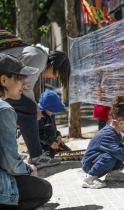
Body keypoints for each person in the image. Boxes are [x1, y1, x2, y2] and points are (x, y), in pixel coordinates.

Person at [0, 30, 70, 168]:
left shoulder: (38, 54)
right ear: (55, 65)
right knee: (29, 109)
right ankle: (36, 156)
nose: (54, 77)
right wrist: (35, 107)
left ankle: (25, 154)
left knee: (24, 111)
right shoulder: (39, 58)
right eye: (57, 74)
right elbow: (25, 88)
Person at [0, 53, 52, 209]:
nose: (24, 84)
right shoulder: (4, 110)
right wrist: (29, 169)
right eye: (19, 78)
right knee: (44, 189)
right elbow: (11, 164)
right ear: (3, 80)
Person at [82, 94, 124, 189]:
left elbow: (118, 151)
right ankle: (90, 178)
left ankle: (113, 173)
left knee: (121, 148)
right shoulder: (108, 134)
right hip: (90, 164)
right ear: (121, 122)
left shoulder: (115, 132)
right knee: (112, 155)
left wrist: (120, 165)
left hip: (98, 160)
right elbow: (116, 152)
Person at [38, 90, 71, 158]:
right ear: (45, 108)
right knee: (52, 156)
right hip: (43, 145)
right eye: (52, 110)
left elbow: (53, 128)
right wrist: (50, 143)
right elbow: (39, 134)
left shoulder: (51, 114)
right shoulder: (40, 117)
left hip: (53, 141)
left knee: (69, 152)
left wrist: (58, 135)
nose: (54, 112)